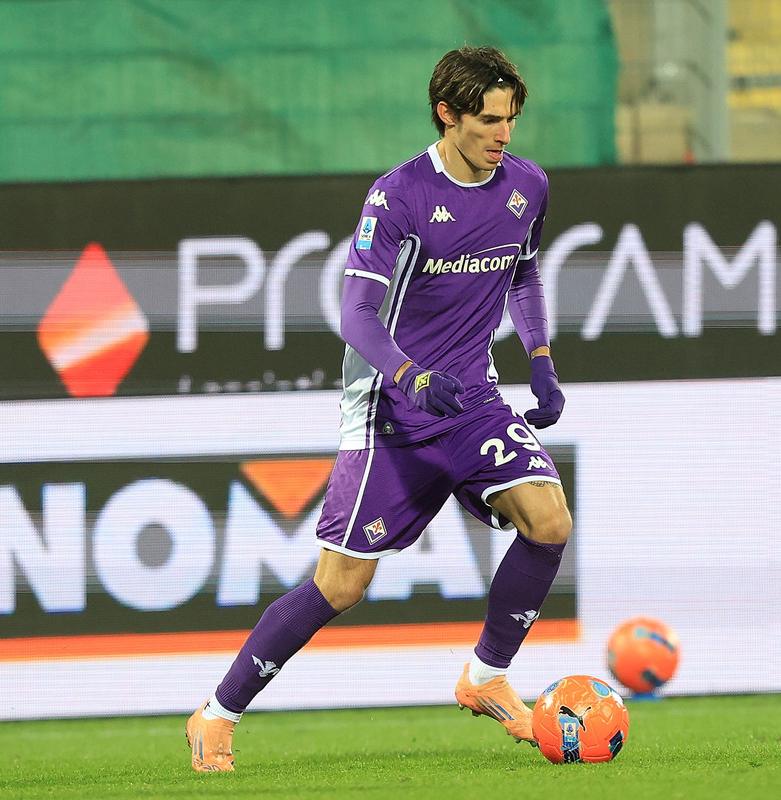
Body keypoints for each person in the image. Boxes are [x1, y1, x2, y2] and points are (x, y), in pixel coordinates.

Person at [186, 45, 570, 772]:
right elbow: (357, 315)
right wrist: (412, 377)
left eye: (512, 120)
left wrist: (541, 361)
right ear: (447, 114)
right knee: (341, 585)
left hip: (474, 401)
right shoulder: (397, 198)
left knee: (549, 522)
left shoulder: (528, 185)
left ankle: (486, 676)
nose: (504, 135)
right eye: (489, 120)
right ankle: (216, 715)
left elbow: (523, 273)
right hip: (391, 412)